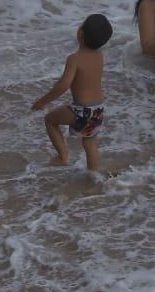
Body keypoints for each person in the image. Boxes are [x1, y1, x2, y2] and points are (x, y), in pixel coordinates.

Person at [30, 13, 112, 173]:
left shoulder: (74, 59)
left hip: (82, 110)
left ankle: (63, 157)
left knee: (50, 120)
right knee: (90, 143)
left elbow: (64, 85)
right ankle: (93, 175)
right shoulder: (99, 56)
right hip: (98, 108)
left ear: (80, 33)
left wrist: (42, 102)